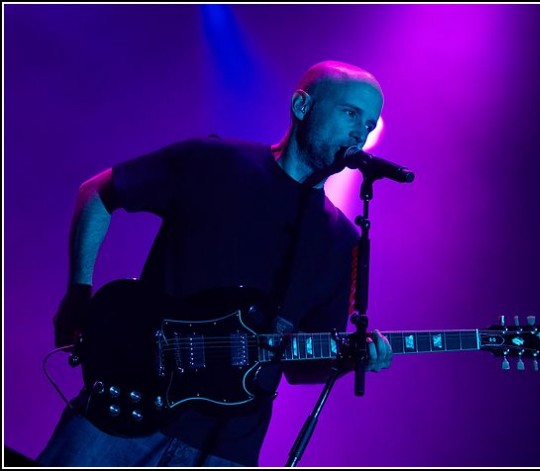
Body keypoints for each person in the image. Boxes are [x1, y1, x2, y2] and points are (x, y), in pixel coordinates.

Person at [37, 60, 393, 467]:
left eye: (369, 123)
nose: (360, 132)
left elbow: (303, 367)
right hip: (126, 405)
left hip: (227, 447)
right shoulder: (214, 161)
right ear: (301, 105)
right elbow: (98, 194)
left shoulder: (343, 240)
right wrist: (78, 293)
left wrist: (352, 360)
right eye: (350, 113)